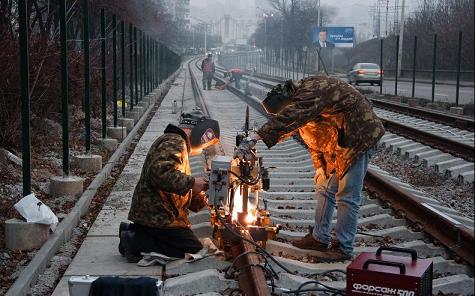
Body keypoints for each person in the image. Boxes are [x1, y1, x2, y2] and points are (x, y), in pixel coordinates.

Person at [251, 76, 385, 262]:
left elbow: (292, 116)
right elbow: (313, 142)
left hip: (360, 137)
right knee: (323, 186)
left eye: (285, 111)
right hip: (341, 140)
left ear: (290, 100)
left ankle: (343, 247)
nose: (286, 113)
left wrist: (259, 135)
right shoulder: (306, 110)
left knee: (347, 194)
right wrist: (320, 167)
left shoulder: (311, 91)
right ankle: (319, 238)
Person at [119, 108, 220, 262]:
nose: (203, 146)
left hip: (156, 215)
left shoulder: (175, 141)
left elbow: (173, 184)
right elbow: (159, 173)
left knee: (191, 246)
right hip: (159, 217)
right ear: (198, 129)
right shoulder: (176, 141)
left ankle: (135, 232)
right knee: (193, 250)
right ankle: (135, 240)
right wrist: (192, 183)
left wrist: (201, 197)